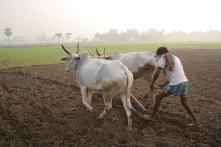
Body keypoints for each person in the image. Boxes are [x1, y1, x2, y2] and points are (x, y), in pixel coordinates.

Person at [149, 47, 201, 127]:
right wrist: (163, 84)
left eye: (158, 56)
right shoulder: (176, 58)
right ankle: (197, 122)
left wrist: (152, 83)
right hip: (184, 82)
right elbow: (174, 74)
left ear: (161, 53)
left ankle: (152, 117)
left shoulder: (163, 57)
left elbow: (157, 72)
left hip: (176, 84)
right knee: (184, 103)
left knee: (158, 97)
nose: (158, 58)